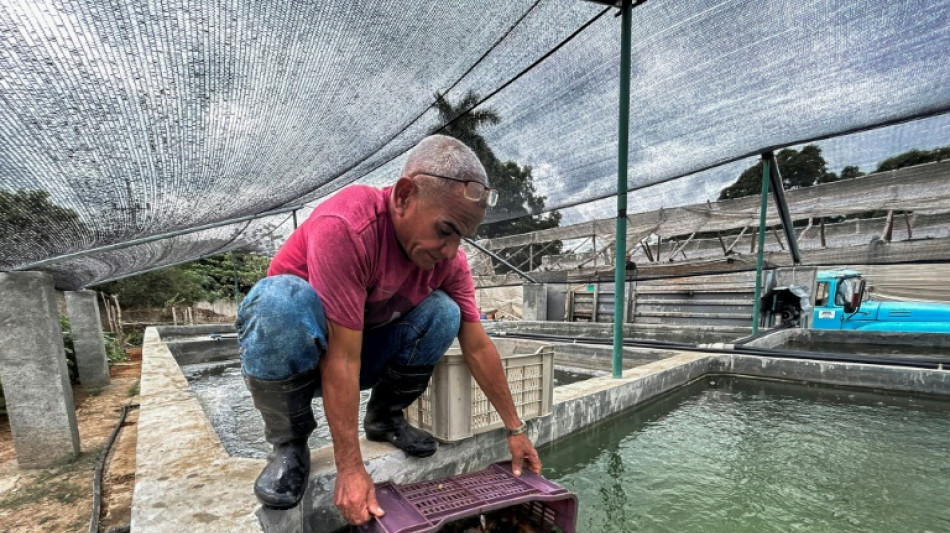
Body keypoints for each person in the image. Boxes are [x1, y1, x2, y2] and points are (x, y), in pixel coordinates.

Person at [236, 135, 542, 525]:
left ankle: (384, 418)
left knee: (446, 313)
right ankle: (289, 444)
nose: (450, 251)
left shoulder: (449, 263)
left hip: (358, 351)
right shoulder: (348, 225)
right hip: (298, 357)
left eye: (461, 238)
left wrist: (515, 428)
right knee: (279, 298)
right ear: (403, 196)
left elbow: (478, 346)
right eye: (446, 230)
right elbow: (341, 356)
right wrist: (350, 468)